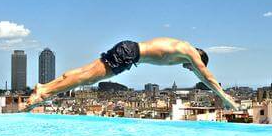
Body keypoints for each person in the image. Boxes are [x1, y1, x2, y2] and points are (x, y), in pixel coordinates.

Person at [25, 37, 239, 110]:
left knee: (83, 71)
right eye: (192, 67)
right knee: (87, 77)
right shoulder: (189, 52)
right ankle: (44, 93)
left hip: (128, 48)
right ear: (199, 59)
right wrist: (225, 97)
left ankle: (45, 87)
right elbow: (207, 76)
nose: (189, 69)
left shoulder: (181, 46)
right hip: (128, 54)